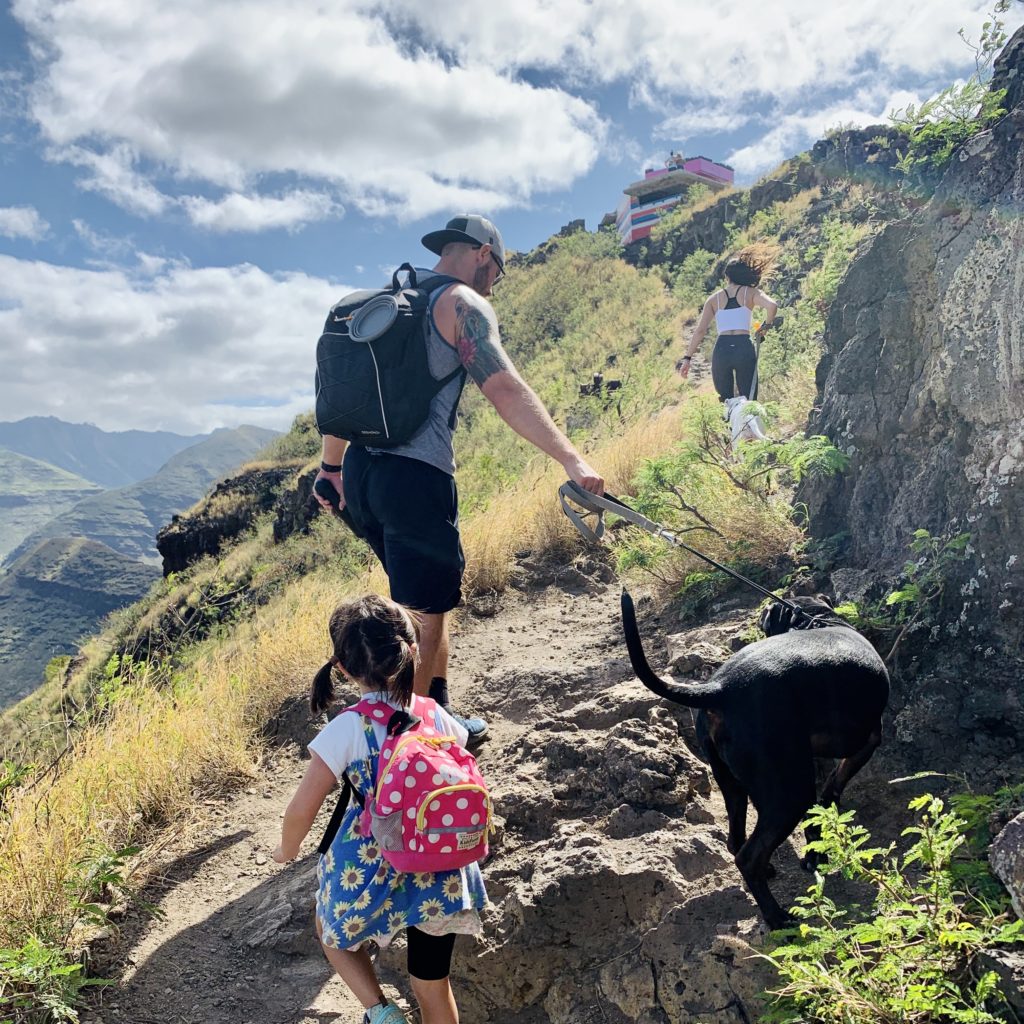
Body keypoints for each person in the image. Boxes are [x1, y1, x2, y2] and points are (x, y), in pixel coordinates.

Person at [314, 215, 604, 747]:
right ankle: (410, 745)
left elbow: (340, 398)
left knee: (429, 603)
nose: (495, 278)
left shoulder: (383, 303)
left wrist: (330, 468)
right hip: (416, 478)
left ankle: (439, 715)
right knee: (422, 616)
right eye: (497, 267)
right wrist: (571, 459)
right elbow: (505, 389)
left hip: (362, 474)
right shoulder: (462, 304)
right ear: (480, 252)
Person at [272, 594, 487, 1024]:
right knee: (432, 986)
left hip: (370, 867)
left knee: (331, 933)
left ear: (344, 669)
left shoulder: (347, 728)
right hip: (441, 868)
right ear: (413, 652)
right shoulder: (436, 715)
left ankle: (381, 1012)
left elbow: (302, 809)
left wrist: (287, 850)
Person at [677, 247, 778, 403]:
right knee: (750, 401)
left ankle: (730, 426)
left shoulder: (713, 299)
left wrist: (687, 358)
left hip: (722, 349)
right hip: (743, 346)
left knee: (725, 402)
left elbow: (700, 331)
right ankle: (748, 426)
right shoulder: (750, 293)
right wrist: (764, 329)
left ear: (727, 277)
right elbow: (772, 306)